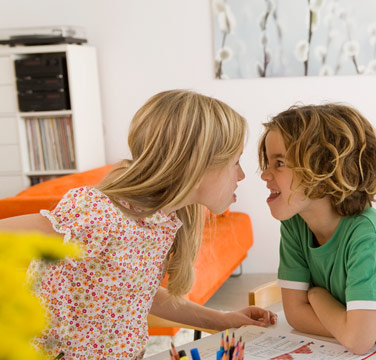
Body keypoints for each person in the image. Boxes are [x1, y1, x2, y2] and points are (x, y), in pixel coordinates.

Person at [0, 90, 277, 359]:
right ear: (196, 165)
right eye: (235, 161)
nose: (241, 174)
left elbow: (141, 295)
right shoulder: (98, 214)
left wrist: (223, 321)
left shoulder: (162, 221)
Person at [258, 104, 376, 355]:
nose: (265, 175)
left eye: (279, 163)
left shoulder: (370, 238)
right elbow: (295, 314)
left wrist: (316, 297)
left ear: (325, 171)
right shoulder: (294, 223)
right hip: (358, 342)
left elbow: (358, 341)